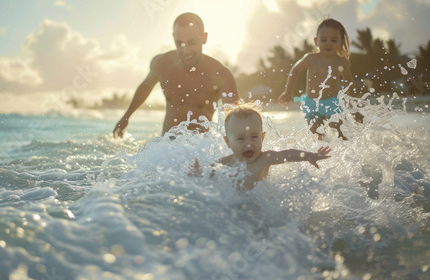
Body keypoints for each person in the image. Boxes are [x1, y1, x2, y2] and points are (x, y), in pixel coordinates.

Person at [113, 12, 239, 138]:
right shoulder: (163, 64)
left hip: (201, 146)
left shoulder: (221, 74)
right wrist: (126, 117)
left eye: (192, 43)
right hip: (167, 143)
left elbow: (236, 118)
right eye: (180, 44)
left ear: (204, 38)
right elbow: (146, 87)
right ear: (173, 38)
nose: (186, 51)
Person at [190, 105, 332, 190]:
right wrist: (198, 172)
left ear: (262, 137)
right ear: (228, 142)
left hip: (257, 205)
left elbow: (287, 154)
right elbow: (210, 171)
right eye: (240, 139)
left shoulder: (265, 158)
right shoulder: (226, 162)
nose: (249, 143)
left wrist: (308, 156)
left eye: (254, 137)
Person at [277, 18, 363, 140]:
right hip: (312, 102)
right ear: (316, 41)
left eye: (334, 40)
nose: (328, 43)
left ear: (341, 41)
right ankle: (320, 155)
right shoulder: (311, 58)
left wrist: (354, 109)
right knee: (315, 133)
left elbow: (349, 83)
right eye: (324, 40)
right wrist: (288, 92)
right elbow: (295, 70)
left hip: (333, 102)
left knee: (339, 130)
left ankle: (344, 154)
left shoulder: (342, 62)